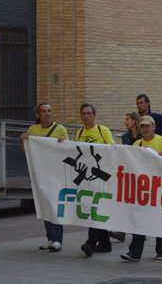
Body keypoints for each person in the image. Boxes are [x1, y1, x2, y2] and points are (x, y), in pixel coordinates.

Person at [121, 116, 162, 262]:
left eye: (147, 126)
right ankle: (135, 253)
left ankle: (161, 250)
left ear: (154, 127)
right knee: (138, 219)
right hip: (142, 188)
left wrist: (161, 157)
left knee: (160, 220)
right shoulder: (137, 144)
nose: (145, 129)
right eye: (142, 126)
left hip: (159, 187)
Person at [20, 102, 68, 252]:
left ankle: (57, 239)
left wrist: (63, 143)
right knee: (44, 205)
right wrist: (23, 139)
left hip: (55, 174)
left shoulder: (60, 129)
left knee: (54, 205)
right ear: (38, 114)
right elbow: (26, 151)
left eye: (49, 110)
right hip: (40, 174)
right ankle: (50, 238)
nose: (47, 113)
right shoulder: (33, 130)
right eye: (44, 111)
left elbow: (67, 150)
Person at [74, 103, 115, 257]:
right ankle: (105, 243)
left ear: (94, 115)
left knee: (97, 209)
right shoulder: (79, 133)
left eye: (89, 113)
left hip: (102, 178)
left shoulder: (102, 131)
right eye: (83, 113)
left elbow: (112, 150)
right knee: (92, 209)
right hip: (87, 180)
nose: (86, 116)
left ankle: (90, 242)